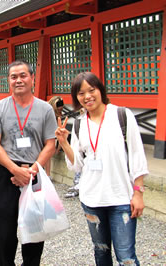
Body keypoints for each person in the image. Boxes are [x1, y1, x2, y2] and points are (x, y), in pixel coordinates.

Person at [55, 72, 148, 265]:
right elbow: (77, 165)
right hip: (92, 198)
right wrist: (64, 143)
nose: (87, 96)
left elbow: (137, 155)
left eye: (92, 90)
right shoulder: (80, 123)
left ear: (100, 90)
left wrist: (138, 193)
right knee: (101, 251)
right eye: (81, 93)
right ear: (77, 98)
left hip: (121, 197)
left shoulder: (122, 115)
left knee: (126, 256)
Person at [0, 60, 57, 265]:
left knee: (35, 230)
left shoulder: (45, 109)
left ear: (32, 78)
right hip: (7, 172)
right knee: (4, 230)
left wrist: (31, 171)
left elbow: (50, 144)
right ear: (8, 81)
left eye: (23, 75)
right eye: (13, 77)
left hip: (35, 172)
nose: (18, 80)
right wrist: (15, 170)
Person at [45, 96, 64, 177]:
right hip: (44, 134)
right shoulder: (47, 111)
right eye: (59, 109)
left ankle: (47, 175)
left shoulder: (58, 115)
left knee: (47, 154)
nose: (60, 110)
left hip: (52, 135)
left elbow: (60, 129)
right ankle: (47, 175)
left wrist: (58, 147)